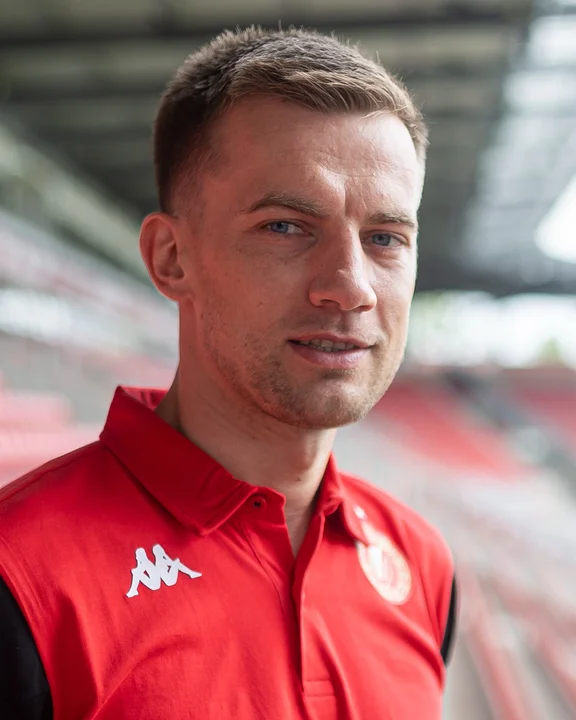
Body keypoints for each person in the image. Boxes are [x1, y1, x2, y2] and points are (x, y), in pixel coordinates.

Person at [0, 26, 457, 720]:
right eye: (285, 226)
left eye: (385, 238)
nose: (350, 286)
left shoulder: (421, 562)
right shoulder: (22, 577)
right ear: (171, 258)